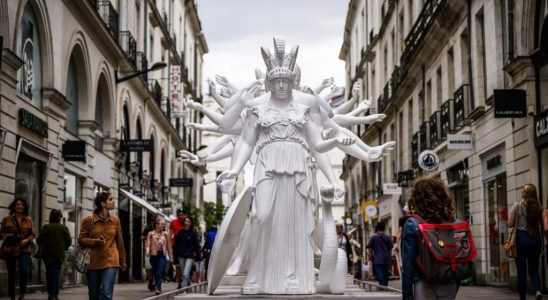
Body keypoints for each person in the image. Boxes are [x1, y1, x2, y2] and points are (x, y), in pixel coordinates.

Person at [217, 39, 357, 295]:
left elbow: (316, 144)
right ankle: (258, 277)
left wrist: (333, 172)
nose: (281, 86)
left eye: (286, 81)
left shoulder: (307, 103)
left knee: (295, 222)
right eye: (276, 82)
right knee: (261, 217)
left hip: (299, 165)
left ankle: (293, 276)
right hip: (267, 164)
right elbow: (247, 141)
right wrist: (234, 170)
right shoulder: (257, 105)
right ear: (269, 83)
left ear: (292, 81)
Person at [402, 176, 458, 300]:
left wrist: (407, 296)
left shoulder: (413, 224)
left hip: (424, 283)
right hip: (449, 282)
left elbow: (408, 265)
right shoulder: (452, 222)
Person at [78, 191, 127, 300]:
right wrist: (95, 241)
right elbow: (81, 240)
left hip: (111, 261)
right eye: (110, 199)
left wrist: (123, 260)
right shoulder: (89, 220)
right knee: (94, 295)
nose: (113, 201)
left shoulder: (115, 220)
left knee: (106, 294)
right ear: (102, 203)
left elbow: (120, 241)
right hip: (93, 262)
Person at [509, 183, 543, 300]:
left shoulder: (517, 206)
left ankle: (522, 298)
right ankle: (537, 289)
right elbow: (542, 226)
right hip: (535, 239)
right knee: (534, 269)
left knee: (521, 272)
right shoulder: (538, 207)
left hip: (521, 239)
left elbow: (510, 224)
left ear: (525, 192)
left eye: (523, 190)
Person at [0, 198, 35, 300]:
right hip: (11, 249)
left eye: (22, 205)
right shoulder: (7, 218)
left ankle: (22, 295)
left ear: (24, 207)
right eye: (18, 204)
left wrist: (27, 240)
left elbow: (32, 234)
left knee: (24, 271)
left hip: (24, 249)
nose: (20, 206)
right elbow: (1, 233)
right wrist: (9, 236)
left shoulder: (28, 219)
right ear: (14, 206)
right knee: (12, 273)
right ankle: (12, 296)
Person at [36, 209, 71, 300]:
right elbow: (69, 241)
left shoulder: (46, 227)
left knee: (49, 274)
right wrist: (65, 247)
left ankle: (51, 294)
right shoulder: (63, 228)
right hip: (59, 254)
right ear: (59, 217)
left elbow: (38, 240)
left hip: (47, 255)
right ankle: (54, 295)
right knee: (56, 274)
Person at [146, 217, 172, 295]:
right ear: (157, 225)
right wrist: (147, 252)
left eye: (164, 224)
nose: (163, 226)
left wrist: (171, 256)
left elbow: (169, 246)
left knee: (159, 271)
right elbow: (148, 244)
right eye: (162, 224)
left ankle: (158, 287)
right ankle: (157, 285)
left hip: (162, 255)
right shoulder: (150, 233)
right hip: (153, 255)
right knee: (155, 271)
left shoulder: (166, 234)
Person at [173, 216, 200, 288]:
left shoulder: (193, 233)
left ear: (191, 223)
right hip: (180, 256)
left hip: (190, 256)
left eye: (188, 221)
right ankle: (188, 285)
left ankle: (183, 290)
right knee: (185, 274)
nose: (187, 222)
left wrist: (198, 256)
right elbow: (176, 245)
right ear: (184, 222)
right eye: (186, 221)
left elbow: (196, 245)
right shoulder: (180, 233)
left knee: (185, 274)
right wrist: (175, 257)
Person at [366, 222, 393, 286]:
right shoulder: (387, 237)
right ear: (384, 228)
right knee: (385, 272)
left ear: (377, 228)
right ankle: (385, 285)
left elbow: (369, 246)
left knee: (379, 272)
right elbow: (391, 247)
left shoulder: (374, 237)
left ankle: (382, 284)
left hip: (377, 258)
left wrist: (369, 253)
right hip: (386, 258)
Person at [169, 208, 186, 289]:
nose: (180, 216)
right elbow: (170, 234)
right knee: (178, 266)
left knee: (185, 266)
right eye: (179, 215)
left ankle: (185, 280)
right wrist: (170, 244)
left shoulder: (187, 222)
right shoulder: (173, 222)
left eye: (182, 215)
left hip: (185, 248)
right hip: (176, 247)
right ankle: (179, 283)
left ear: (184, 215)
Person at [141, 216, 156, 291]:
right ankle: (150, 280)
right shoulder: (147, 228)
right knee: (148, 267)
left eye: (154, 221)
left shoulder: (158, 229)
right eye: (151, 221)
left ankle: (153, 282)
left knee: (155, 267)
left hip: (156, 251)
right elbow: (142, 237)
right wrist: (148, 237)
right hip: (148, 250)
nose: (152, 223)